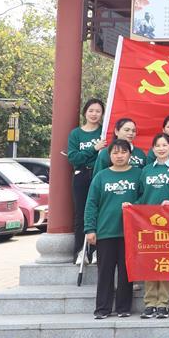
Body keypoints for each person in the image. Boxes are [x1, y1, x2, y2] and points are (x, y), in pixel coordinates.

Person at [84, 139, 143, 319]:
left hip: (129, 232)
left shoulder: (138, 174)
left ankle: (123, 308)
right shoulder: (101, 176)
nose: (119, 156)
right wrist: (90, 229)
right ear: (109, 155)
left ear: (130, 154)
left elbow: (145, 198)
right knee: (105, 272)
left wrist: (134, 205)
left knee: (126, 272)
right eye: (115, 152)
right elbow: (91, 204)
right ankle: (103, 309)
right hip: (105, 231)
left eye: (123, 152)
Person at [138, 133, 169, 319]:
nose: (161, 148)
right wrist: (132, 206)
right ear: (153, 149)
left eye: (165, 145)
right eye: (158, 145)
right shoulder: (146, 170)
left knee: (167, 262)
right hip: (148, 223)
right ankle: (149, 303)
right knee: (150, 261)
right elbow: (141, 196)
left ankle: (163, 303)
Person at [67, 98, 107, 263]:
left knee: (99, 212)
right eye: (91, 110)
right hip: (81, 175)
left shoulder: (104, 132)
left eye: (98, 111)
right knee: (81, 214)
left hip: (99, 175)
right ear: (85, 112)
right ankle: (80, 251)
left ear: (102, 114)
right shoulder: (76, 134)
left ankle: (97, 250)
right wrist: (94, 148)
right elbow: (74, 157)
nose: (94, 114)